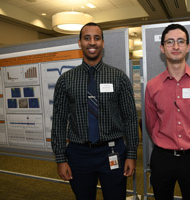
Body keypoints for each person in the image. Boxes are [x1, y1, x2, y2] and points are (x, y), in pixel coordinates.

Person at [51, 22, 139, 200]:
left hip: (112, 152)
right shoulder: (65, 80)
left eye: (97, 38)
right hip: (79, 155)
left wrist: (131, 155)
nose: (92, 42)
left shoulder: (119, 77)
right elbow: (59, 121)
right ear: (79, 43)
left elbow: (130, 118)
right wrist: (61, 159)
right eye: (87, 38)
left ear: (103, 43)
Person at [145, 24, 190, 200]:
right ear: (162, 48)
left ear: (188, 47)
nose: (176, 46)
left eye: (180, 41)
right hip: (162, 158)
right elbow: (151, 123)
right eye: (170, 42)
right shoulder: (152, 86)